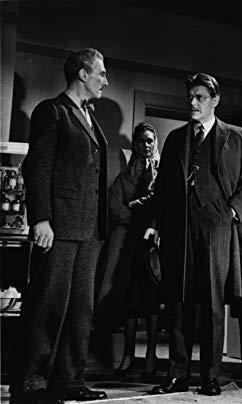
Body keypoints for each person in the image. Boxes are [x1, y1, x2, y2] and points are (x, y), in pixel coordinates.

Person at [145, 72, 242, 396]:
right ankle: (177, 374)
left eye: (200, 97)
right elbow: (162, 190)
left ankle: (209, 375)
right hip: (179, 227)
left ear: (215, 100)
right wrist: (157, 225)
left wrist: (233, 211)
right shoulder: (175, 138)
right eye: (190, 97)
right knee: (178, 301)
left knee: (212, 303)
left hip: (217, 226)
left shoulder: (236, 136)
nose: (193, 103)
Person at [11, 48, 109, 404]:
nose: (105, 80)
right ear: (82, 73)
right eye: (100, 73)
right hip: (60, 226)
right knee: (47, 306)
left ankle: (69, 380)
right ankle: (31, 386)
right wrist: (41, 218)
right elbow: (37, 167)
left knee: (81, 311)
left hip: (89, 231)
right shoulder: (52, 111)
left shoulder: (89, 115)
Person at [96, 122, 161, 380]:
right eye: (142, 141)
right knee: (129, 300)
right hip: (128, 244)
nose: (146, 145)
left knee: (152, 301)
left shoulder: (161, 173)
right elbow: (114, 206)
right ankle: (128, 355)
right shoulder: (125, 176)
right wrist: (136, 215)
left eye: (150, 140)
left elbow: (162, 205)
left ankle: (151, 357)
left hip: (152, 244)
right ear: (135, 144)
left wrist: (140, 209)